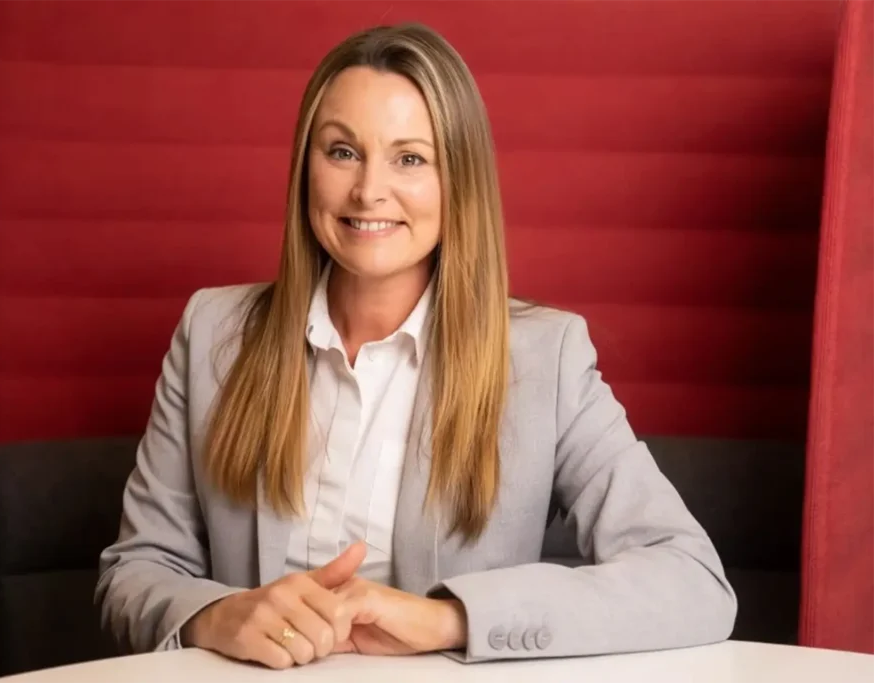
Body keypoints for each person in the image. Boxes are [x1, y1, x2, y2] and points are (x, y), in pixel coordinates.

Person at [95, 22, 736, 669]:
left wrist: (449, 616)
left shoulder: (547, 358)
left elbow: (690, 578)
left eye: (409, 158)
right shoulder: (214, 331)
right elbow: (136, 570)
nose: (369, 190)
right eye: (342, 151)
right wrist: (218, 613)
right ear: (305, 168)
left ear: (458, 179)